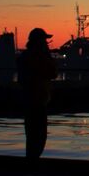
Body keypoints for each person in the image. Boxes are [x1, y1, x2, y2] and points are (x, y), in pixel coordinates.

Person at [17, 27, 58, 161]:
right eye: (44, 40)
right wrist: (46, 55)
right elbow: (52, 72)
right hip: (36, 102)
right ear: (38, 41)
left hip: (33, 100)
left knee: (33, 136)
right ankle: (32, 163)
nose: (47, 43)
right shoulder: (36, 57)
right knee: (38, 136)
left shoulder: (27, 56)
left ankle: (31, 161)